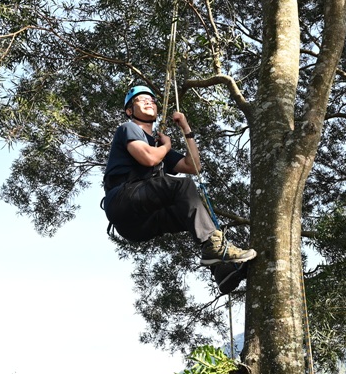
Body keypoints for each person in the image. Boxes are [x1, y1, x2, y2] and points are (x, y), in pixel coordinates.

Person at [102, 85, 255, 290]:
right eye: (141, 100)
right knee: (182, 186)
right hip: (123, 200)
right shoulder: (129, 128)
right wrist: (166, 146)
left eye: (152, 100)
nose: (149, 102)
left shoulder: (158, 145)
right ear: (130, 111)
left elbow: (193, 166)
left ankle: (221, 270)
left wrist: (186, 128)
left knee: (190, 210)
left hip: (140, 225)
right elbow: (147, 158)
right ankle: (216, 248)